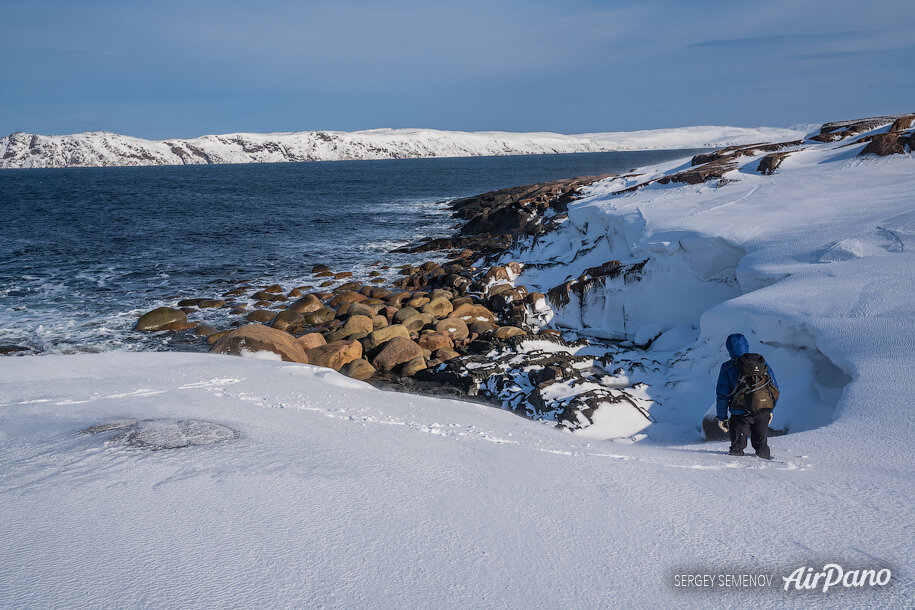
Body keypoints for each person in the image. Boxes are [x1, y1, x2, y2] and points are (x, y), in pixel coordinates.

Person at [715, 333, 779, 459]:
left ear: (729, 349)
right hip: (762, 411)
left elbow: (722, 395)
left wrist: (722, 418)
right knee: (762, 446)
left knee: (737, 449)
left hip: (740, 414)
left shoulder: (727, 367)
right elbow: (774, 387)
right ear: (747, 345)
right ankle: (769, 470)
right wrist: (770, 410)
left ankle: (735, 474)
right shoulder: (761, 363)